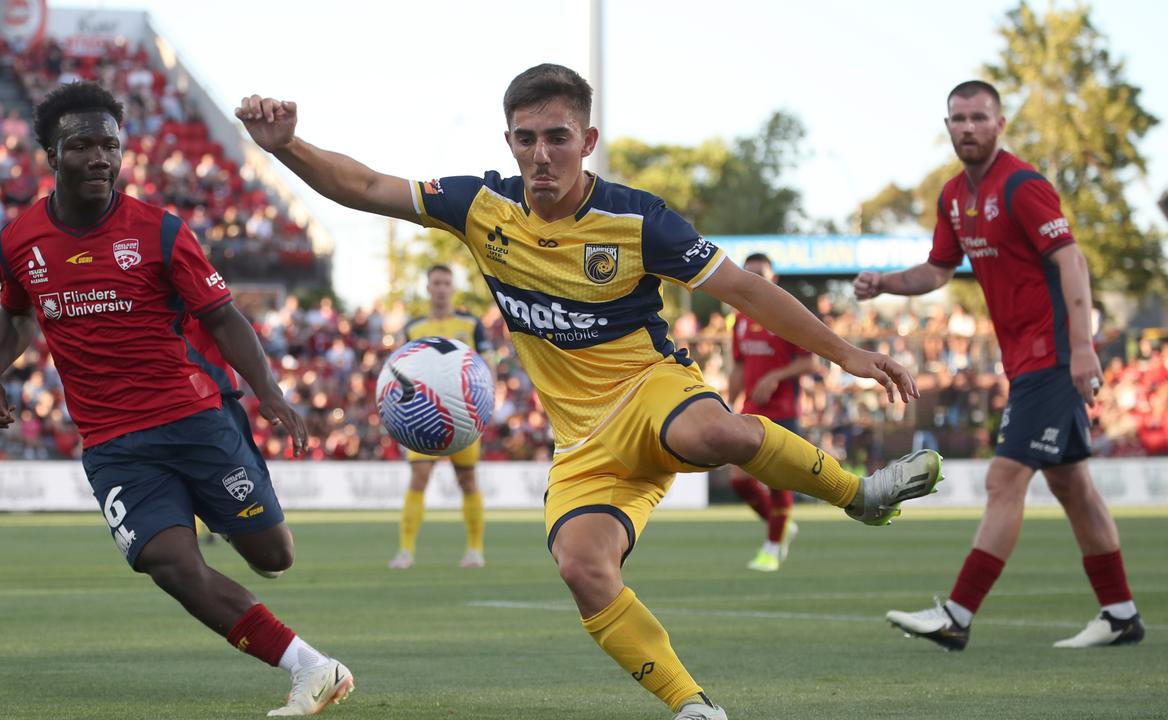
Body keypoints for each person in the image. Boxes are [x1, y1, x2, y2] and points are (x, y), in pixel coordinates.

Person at [236, 64, 942, 720]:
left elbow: (744, 290)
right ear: (508, 140)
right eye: (526, 138)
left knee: (714, 433)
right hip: (580, 445)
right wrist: (286, 145)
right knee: (582, 567)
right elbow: (364, 188)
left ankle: (861, 497)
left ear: (587, 140)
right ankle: (694, 706)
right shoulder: (481, 207)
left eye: (557, 138)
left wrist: (847, 352)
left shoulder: (639, 220)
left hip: (651, 389)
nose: (541, 154)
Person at [0, 81, 354, 716]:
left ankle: (206, 505)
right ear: (50, 155)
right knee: (170, 564)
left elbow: (226, 318)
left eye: (110, 145)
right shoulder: (16, 241)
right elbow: (16, 314)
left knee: (273, 557)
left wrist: (269, 392)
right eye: (82, 145)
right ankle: (312, 668)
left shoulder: (160, 232)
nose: (100, 157)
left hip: (195, 418)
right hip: (114, 443)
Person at [855, 80, 1144, 651]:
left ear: (999, 123)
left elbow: (1073, 262)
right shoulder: (952, 197)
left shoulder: (1023, 185)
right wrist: (885, 282)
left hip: (1053, 356)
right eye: (958, 118)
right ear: (947, 127)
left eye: (978, 118)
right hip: (1025, 360)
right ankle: (1120, 614)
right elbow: (938, 271)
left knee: (1003, 477)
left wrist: (1082, 347)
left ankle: (957, 615)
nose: (967, 127)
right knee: (1073, 487)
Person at [388, 264, 493, 570]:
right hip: (422, 415)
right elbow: (399, 372)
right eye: (437, 282)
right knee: (419, 477)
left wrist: (488, 406)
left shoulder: (471, 324)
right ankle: (405, 550)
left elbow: (487, 368)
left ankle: (475, 550)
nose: (442, 288)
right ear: (428, 288)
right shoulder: (413, 328)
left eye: (447, 282)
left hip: (464, 416)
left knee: (468, 480)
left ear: (453, 287)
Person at [726, 254, 816, 572]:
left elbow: (810, 362)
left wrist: (776, 376)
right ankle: (781, 526)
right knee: (738, 480)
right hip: (751, 409)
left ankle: (773, 547)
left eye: (761, 274)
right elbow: (738, 365)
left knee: (778, 481)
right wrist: (728, 400)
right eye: (749, 274)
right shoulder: (740, 319)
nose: (755, 280)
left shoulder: (786, 316)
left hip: (783, 410)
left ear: (773, 278)